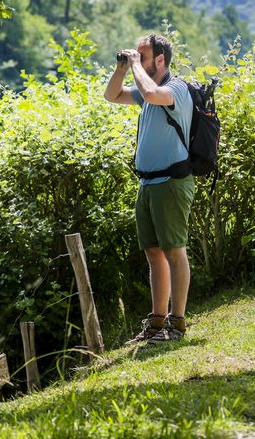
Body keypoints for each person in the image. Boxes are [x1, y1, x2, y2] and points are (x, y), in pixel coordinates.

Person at [103, 33, 195, 344]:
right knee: (153, 252)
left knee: (174, 250)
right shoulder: (147, 88)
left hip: (171, 182)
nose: (136, 63)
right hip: (148, 182)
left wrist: (135, 68)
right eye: (136, 57)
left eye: (142, 57)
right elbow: (112, 96)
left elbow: (153, 93)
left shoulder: (176, 89)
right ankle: (157, 321)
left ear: (160, 60)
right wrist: (121, 68)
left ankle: (177, 322)